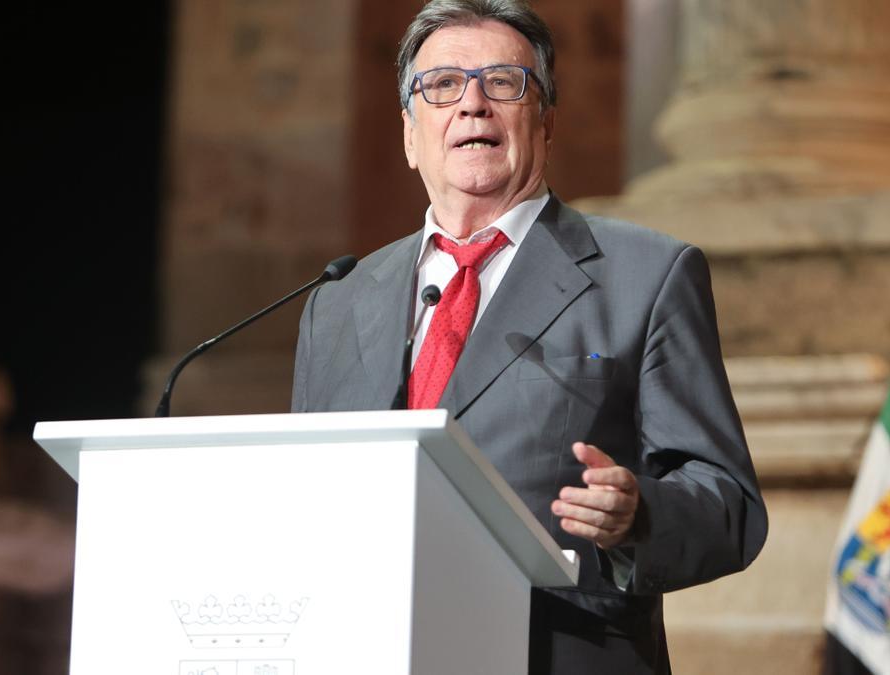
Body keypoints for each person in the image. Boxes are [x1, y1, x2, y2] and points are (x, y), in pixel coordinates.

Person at [290, 1, 768, 672]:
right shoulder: (337, 301)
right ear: (408, 132)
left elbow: (729, 505)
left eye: (504, 83)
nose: (473, 104)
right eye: (443, 85)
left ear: (545, 123)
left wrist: (639, 515)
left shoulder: (648, 275)